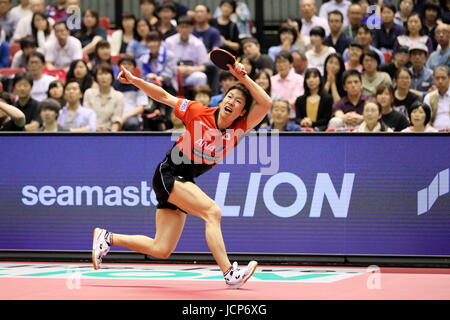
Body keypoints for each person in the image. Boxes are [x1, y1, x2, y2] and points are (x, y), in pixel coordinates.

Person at [92, 58, 272, 289]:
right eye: (229, 97)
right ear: (222, 99)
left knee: (161, 248)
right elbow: (164, 96)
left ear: (242, 111)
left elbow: (265, 102)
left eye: (238, 101)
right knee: (212, 212)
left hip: (184, 180)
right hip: (168, 173)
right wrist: (135, 80)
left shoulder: (240, 128)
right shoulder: (198, 111)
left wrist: (241, 75)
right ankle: (229, 272)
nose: (231, 102)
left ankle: (107, 238)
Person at [165, 15, 209, 89]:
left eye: (187, 27)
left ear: (192, 28)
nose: (184, 30)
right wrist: (176, 69)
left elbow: (203, 67)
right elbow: (163, 62)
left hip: (190, 75)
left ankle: (199, 99)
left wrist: (190, 69)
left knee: (201, 77)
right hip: (172, 74)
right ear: (177, 28)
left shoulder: (198, 43)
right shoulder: (169, 41)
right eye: (182, 27)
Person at [83, 63, 124, 132]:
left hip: (109, 133)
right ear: (96, 78)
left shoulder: (119, 96)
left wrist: (111, 133)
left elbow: (116, 119)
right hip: (90, 131)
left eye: (106, 73)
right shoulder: (88, 93)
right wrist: (94, 128)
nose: (103, 77)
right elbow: (86, 116)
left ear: (112, 76)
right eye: (100, 74)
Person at [114, 55, 149, 131]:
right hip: (114, 115)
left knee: (132, 123)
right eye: (124, 64)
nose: (126, 66)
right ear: (118, 67)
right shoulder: (113, 84)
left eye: (129, 64)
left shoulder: (139, 84)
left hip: (131, 116)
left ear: (134, 68)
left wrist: (125, 117)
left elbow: (141, 108)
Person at [270, 51, 304, 120]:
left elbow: (297, 100)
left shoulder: (298, 79)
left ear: (291, 64)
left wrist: (280, 107)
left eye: (284, 62)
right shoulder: (271, 80)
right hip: (274, 118)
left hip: (292, 117)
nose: (281, 65)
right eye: (279, 62)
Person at [423, 65, 450, 130]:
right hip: (434, 134)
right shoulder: (429, 97)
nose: (440, 81)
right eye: (437, 78)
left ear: (449, 78)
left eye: (443, 78)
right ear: (433, 79)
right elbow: (426, 120)